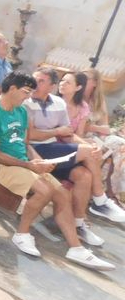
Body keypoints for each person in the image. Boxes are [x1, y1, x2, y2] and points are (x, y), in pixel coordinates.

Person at [0, 72, 115, 270]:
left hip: (22, 161)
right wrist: (29, 166)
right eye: (25, 92)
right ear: (12, 88)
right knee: (45, 190)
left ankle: (76, 248)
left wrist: (38, 160)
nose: (27, 97)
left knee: (62, 195)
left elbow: (25, 143)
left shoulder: (21, 111)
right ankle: (22, 234)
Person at [25, 67, 125, 231]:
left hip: (54, 148)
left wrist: (87, 146)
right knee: (88, 152)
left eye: (41, 81)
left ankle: (79, 224)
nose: (35, 84)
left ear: (51, 86)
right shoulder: (26, 102)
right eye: (35, 79)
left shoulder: (57, 103)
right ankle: (100, 200)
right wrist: (56, 132)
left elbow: (68, 134)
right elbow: (30, 136)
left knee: (84, 175)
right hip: (35, 150)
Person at [83, 67, 125, 203]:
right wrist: (93, 129)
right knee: (110, 149)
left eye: (86, 79)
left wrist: (92, 127)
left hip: (98, 135)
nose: (82, 81)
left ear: (95, 83)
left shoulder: (98, 101)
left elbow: (106, 128)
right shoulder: (76, 98)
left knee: (120, 145)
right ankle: (104, 192)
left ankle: (113, 191)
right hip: (82, 137)